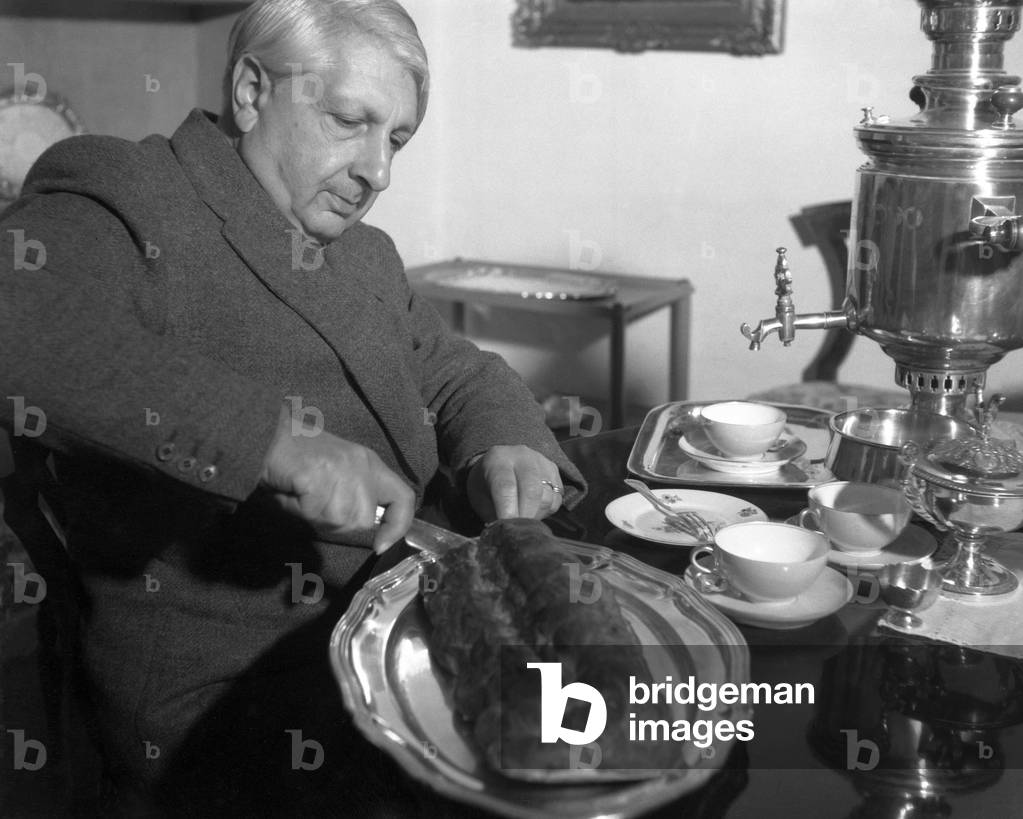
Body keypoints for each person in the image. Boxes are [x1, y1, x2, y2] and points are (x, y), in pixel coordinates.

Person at [0, 0, 585, 813]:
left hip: (401, 633)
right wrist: (273, 443)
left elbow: (452, 369)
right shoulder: (126, 188)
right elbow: (21, 321)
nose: (377, 171)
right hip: (237, 697)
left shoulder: (364, 254)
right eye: (352, 122)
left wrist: (504, 442)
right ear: (250, 91)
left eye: (398, 141)